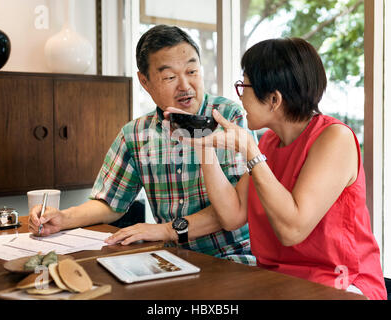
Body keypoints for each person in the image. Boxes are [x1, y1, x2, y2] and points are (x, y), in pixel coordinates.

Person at [28, 25, 257, 266]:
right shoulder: (136, 134)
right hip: (171, 260)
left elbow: (237, 208)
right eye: (169, 77)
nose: (185, 85)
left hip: (233, 258)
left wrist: (168, 230)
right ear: (144, 81)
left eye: (192, 71)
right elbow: (109, 202)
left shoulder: (230, 118)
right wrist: (63, 218)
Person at [183, 37, 387, 299]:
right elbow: (233, 214)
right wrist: (205, 148)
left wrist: (250, 151)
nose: (240, 95)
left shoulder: (335, 138)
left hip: (340, 285)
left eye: (243, 85)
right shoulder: (269, 141)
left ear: (274, 99)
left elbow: (293, 230)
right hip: (278, 282)